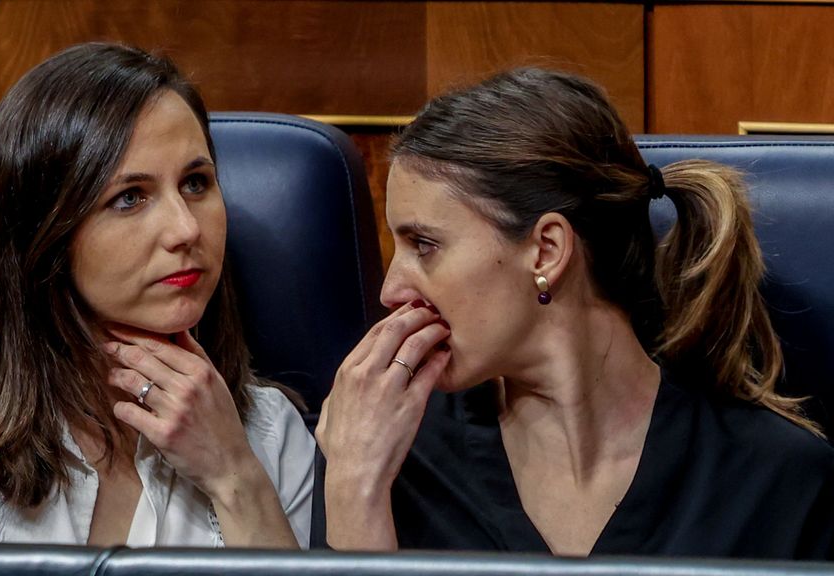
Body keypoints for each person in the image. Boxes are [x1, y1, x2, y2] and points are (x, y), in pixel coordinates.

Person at [315, 67, 834, 558]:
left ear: (545, 250)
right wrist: (355, 498)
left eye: (424, 245)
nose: (391, 291)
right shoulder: (383, 450)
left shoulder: (776, 479)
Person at [0, 42, 313, 548]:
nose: (185, 228)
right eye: (130, 197)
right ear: (44, 233)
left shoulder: (271, 437)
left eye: (196, 183)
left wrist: (235, 477)